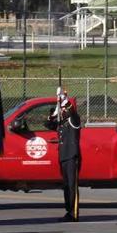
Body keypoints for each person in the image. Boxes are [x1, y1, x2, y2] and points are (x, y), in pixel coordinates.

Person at [45, 90, 82, 222]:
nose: (62, 111)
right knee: (66, 186)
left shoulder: (73, 120)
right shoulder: (61, 123)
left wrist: (65, 100)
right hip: (63, 156)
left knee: (72, 185)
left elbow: (73, 113)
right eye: (61, 109)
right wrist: (54, 114)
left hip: (72, 156)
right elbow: (47, 124)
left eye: (63, 109)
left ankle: (74, 213)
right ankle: (68, 211)